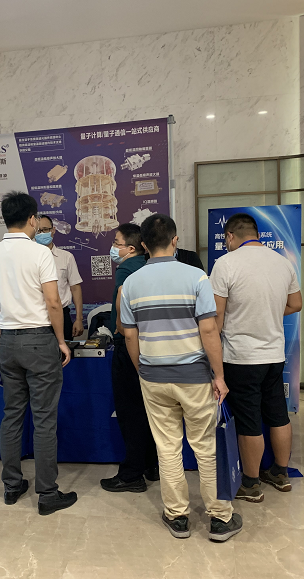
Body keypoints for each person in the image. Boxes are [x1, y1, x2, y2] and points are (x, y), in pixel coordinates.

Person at [120, 214, 242, 541]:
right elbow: (209, 330)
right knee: (205, 446)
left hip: (153, 377)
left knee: (167, 447)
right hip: (194, 377)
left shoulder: (132, 283)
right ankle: (220, 518)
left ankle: (177, 517)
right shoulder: (197, 277)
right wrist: (219, 375)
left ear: (143, 245)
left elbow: (129, 334)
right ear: (175, 240)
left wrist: (142, 369)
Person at [0, 191, 77, 516]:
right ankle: (47, 493)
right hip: (39, 340)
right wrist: (61, 340)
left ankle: (11, 486)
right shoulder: (40, 253)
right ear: (32, 219)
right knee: (44, 419)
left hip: (8, 341)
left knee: (11, 415)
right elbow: (53, 302)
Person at [209, 213, 303, 503]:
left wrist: (211, 355)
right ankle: (280, 473)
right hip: (274, 355)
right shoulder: (283, 263)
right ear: (257, 234)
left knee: (249, 420)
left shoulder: (225, 264)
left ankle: (250, 484)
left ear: (230, 236)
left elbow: (217, 317)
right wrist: (269, 313)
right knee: (278, 414)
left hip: (241, 357)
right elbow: (296, 303)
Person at [100, 223, 158, 493]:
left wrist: (119, 329)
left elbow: (124, 311)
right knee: (147, 410)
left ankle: (132, 474)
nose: (113, 247)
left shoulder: (127, 268)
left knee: (130, 411)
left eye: (117, 242)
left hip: (129, 343)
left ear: (131, 248)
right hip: (151, 344)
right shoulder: (149, 265)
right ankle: (151, 465)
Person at [36, 215, 84, 340]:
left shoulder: (66, 257)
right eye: (38, 231)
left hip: (62, 314)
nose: (42, 234)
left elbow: (75, 288)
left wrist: (79, 319)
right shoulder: (28, 258)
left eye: (45, 229)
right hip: (36, 318)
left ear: (53, 230)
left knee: (65, 351)